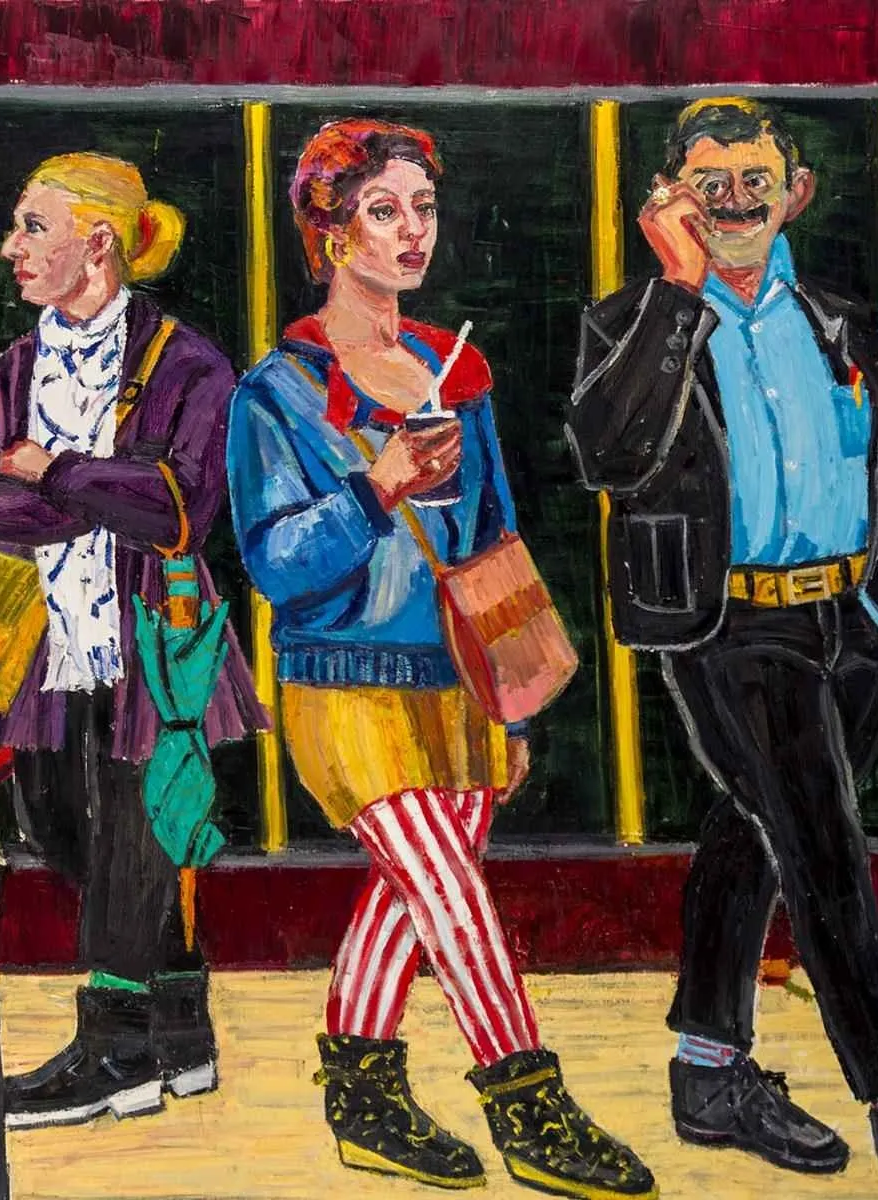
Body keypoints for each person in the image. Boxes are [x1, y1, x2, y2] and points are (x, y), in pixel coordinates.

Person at [565, 98, 878, 1190]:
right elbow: (610, 455)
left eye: (756, 180)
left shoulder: (840, 318)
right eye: (710, 185)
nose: (736, 202)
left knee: (754, 832)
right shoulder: (635, 319)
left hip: (851, 626)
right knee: (823, 846)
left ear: (795, 192)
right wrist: (678, 288)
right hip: (730, 626)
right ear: (671, 202)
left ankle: (707, 1071)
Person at [228, 118, 657, 1200]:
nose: (412, 230)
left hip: (460, 679)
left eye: (422, 208)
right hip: (342, 684)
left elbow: (492, 538)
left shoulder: (452, 370)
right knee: (452, 898)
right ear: (329, 231)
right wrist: (374, 489)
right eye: (384, 210)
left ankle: (364, 1102)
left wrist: (514, 704)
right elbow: (274, 564)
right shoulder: (276, 392)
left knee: (408, 897)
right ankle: (530, 1105)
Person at [0, 152, 265, 1131]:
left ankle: (116, 1051)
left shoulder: (189, 364)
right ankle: (179, 1026)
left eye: (32, 227)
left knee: (142, 827)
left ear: (97, 241)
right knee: (57, 826)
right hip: (41, 641)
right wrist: (100, 491)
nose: (11, 248)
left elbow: (180, 513)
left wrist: (52, 470)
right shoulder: (14, 366)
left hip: (154, 638)